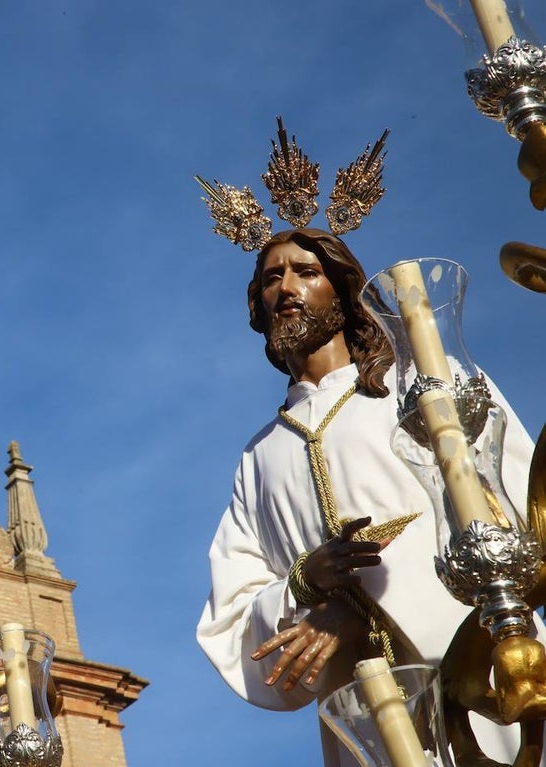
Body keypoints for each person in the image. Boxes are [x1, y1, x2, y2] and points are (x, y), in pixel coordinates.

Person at [195, 227, 537, 766]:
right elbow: (232, 613)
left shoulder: (421, 382)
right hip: (364, 706)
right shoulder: (258, 456)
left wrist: (361, 610)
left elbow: (508, 504)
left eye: (306, 273)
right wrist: (304, 586)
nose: (286, 288)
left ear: (344, 293)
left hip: (476, 664)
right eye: (271, 278)